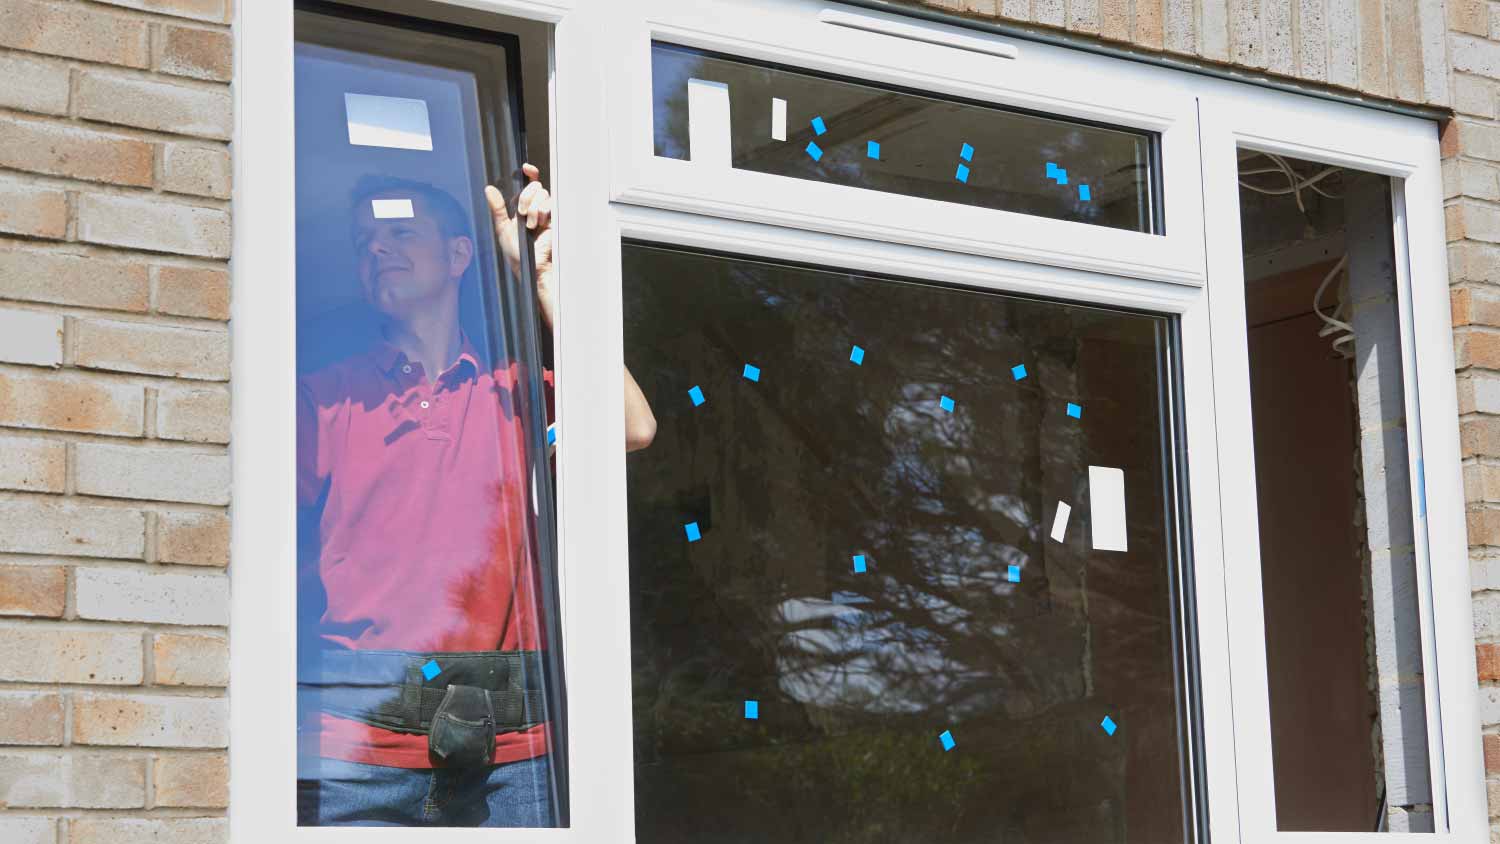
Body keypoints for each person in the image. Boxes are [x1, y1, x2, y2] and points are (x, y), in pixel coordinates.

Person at [296, 166, 655, 827]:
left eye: (401, 231)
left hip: (513, 756)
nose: (375, 248)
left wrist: (547, 283)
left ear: (461, 254)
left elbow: (634, 426)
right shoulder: (326, 397)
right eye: (362, 240)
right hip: (357, 755)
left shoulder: (516, 390)